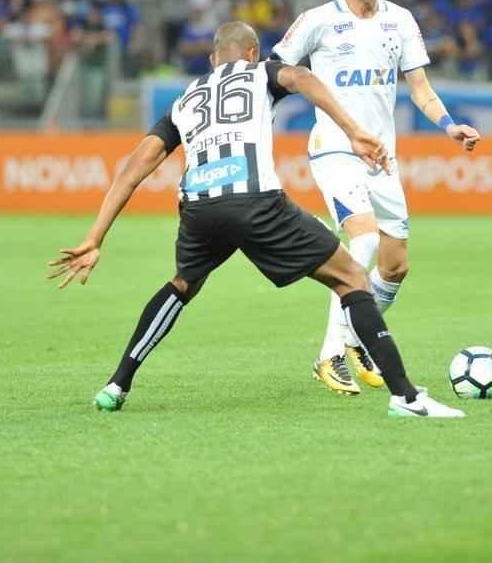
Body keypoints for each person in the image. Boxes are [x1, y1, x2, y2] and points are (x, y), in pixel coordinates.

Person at [50, 21, 464, 419]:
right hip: (255, 201)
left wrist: (95, 237)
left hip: (199, 207)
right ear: (252, 53)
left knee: (182, 285)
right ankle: (406, 397)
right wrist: (353, 129)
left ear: (213, 59)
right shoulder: (260, 72)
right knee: (353, 278)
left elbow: (137, 164)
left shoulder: (186, 98)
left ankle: (116, 385)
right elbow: (302, 78)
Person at [272, 0, 481, 395]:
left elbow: (420, 89)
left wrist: (448, 125)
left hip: (381, 156)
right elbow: (276, 71)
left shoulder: (400, 21)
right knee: (361, 240)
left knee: (395, 264)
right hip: (334, 148)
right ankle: (329, 355)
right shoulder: (317, 21)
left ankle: (356, 336)